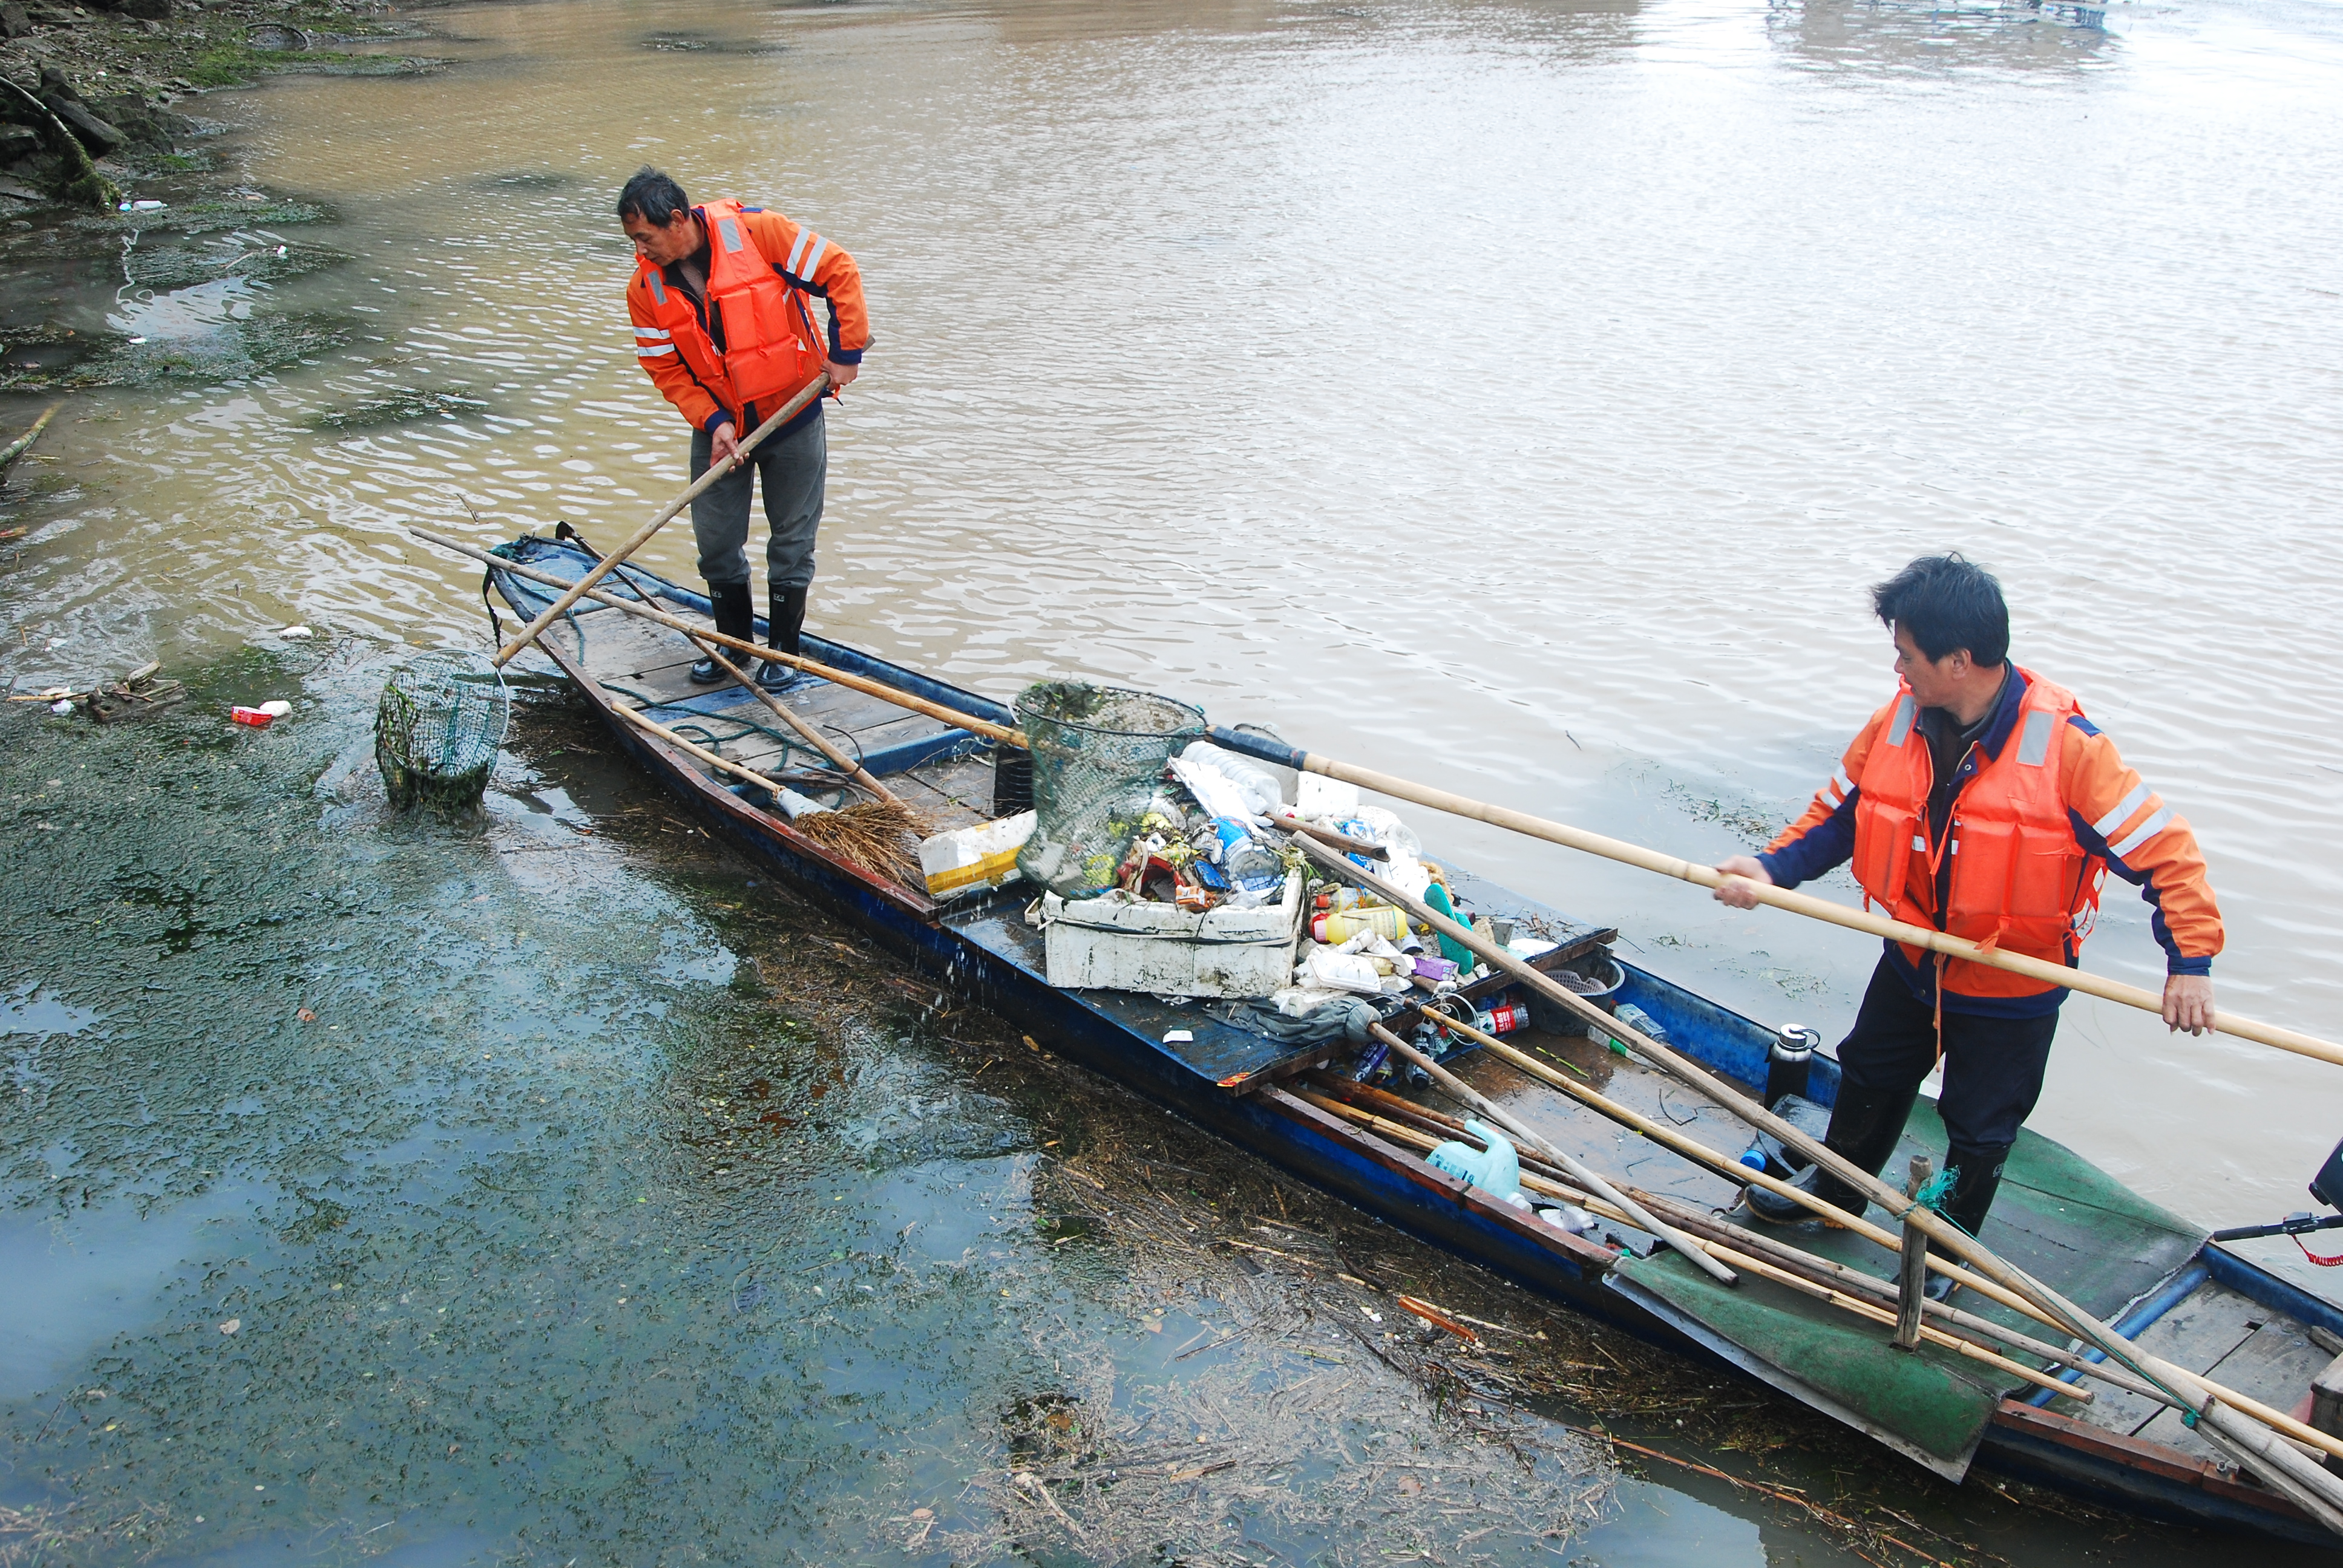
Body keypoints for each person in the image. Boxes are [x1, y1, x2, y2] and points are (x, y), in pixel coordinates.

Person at [1712, 555, 2221, 1292]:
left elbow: (2167, 855)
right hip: (1914, 953)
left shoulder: (2072, 752)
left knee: (1979, 1126)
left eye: (1906, 652)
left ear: (1958, 661)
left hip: (2011, 978)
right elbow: (1842, 815)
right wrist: (1769, 869)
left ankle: (1947, 1253)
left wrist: (2189, 966)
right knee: (1868, 1070)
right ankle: (1837, 1192)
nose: (1897, 666)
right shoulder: (1898, 718)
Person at [616, 167, 869, 691]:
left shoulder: (761, 234)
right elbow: (665, 369)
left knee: (792, 542)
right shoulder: (645, 288)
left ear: (679, 220)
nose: (640, 251)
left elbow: (838, 271)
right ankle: (734, 648)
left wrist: (845, 354)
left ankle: (785, 654)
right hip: (720, 428)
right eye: (633, 241)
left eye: (645, 237)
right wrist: (714, 421)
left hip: (792, 417)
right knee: (715, 541)